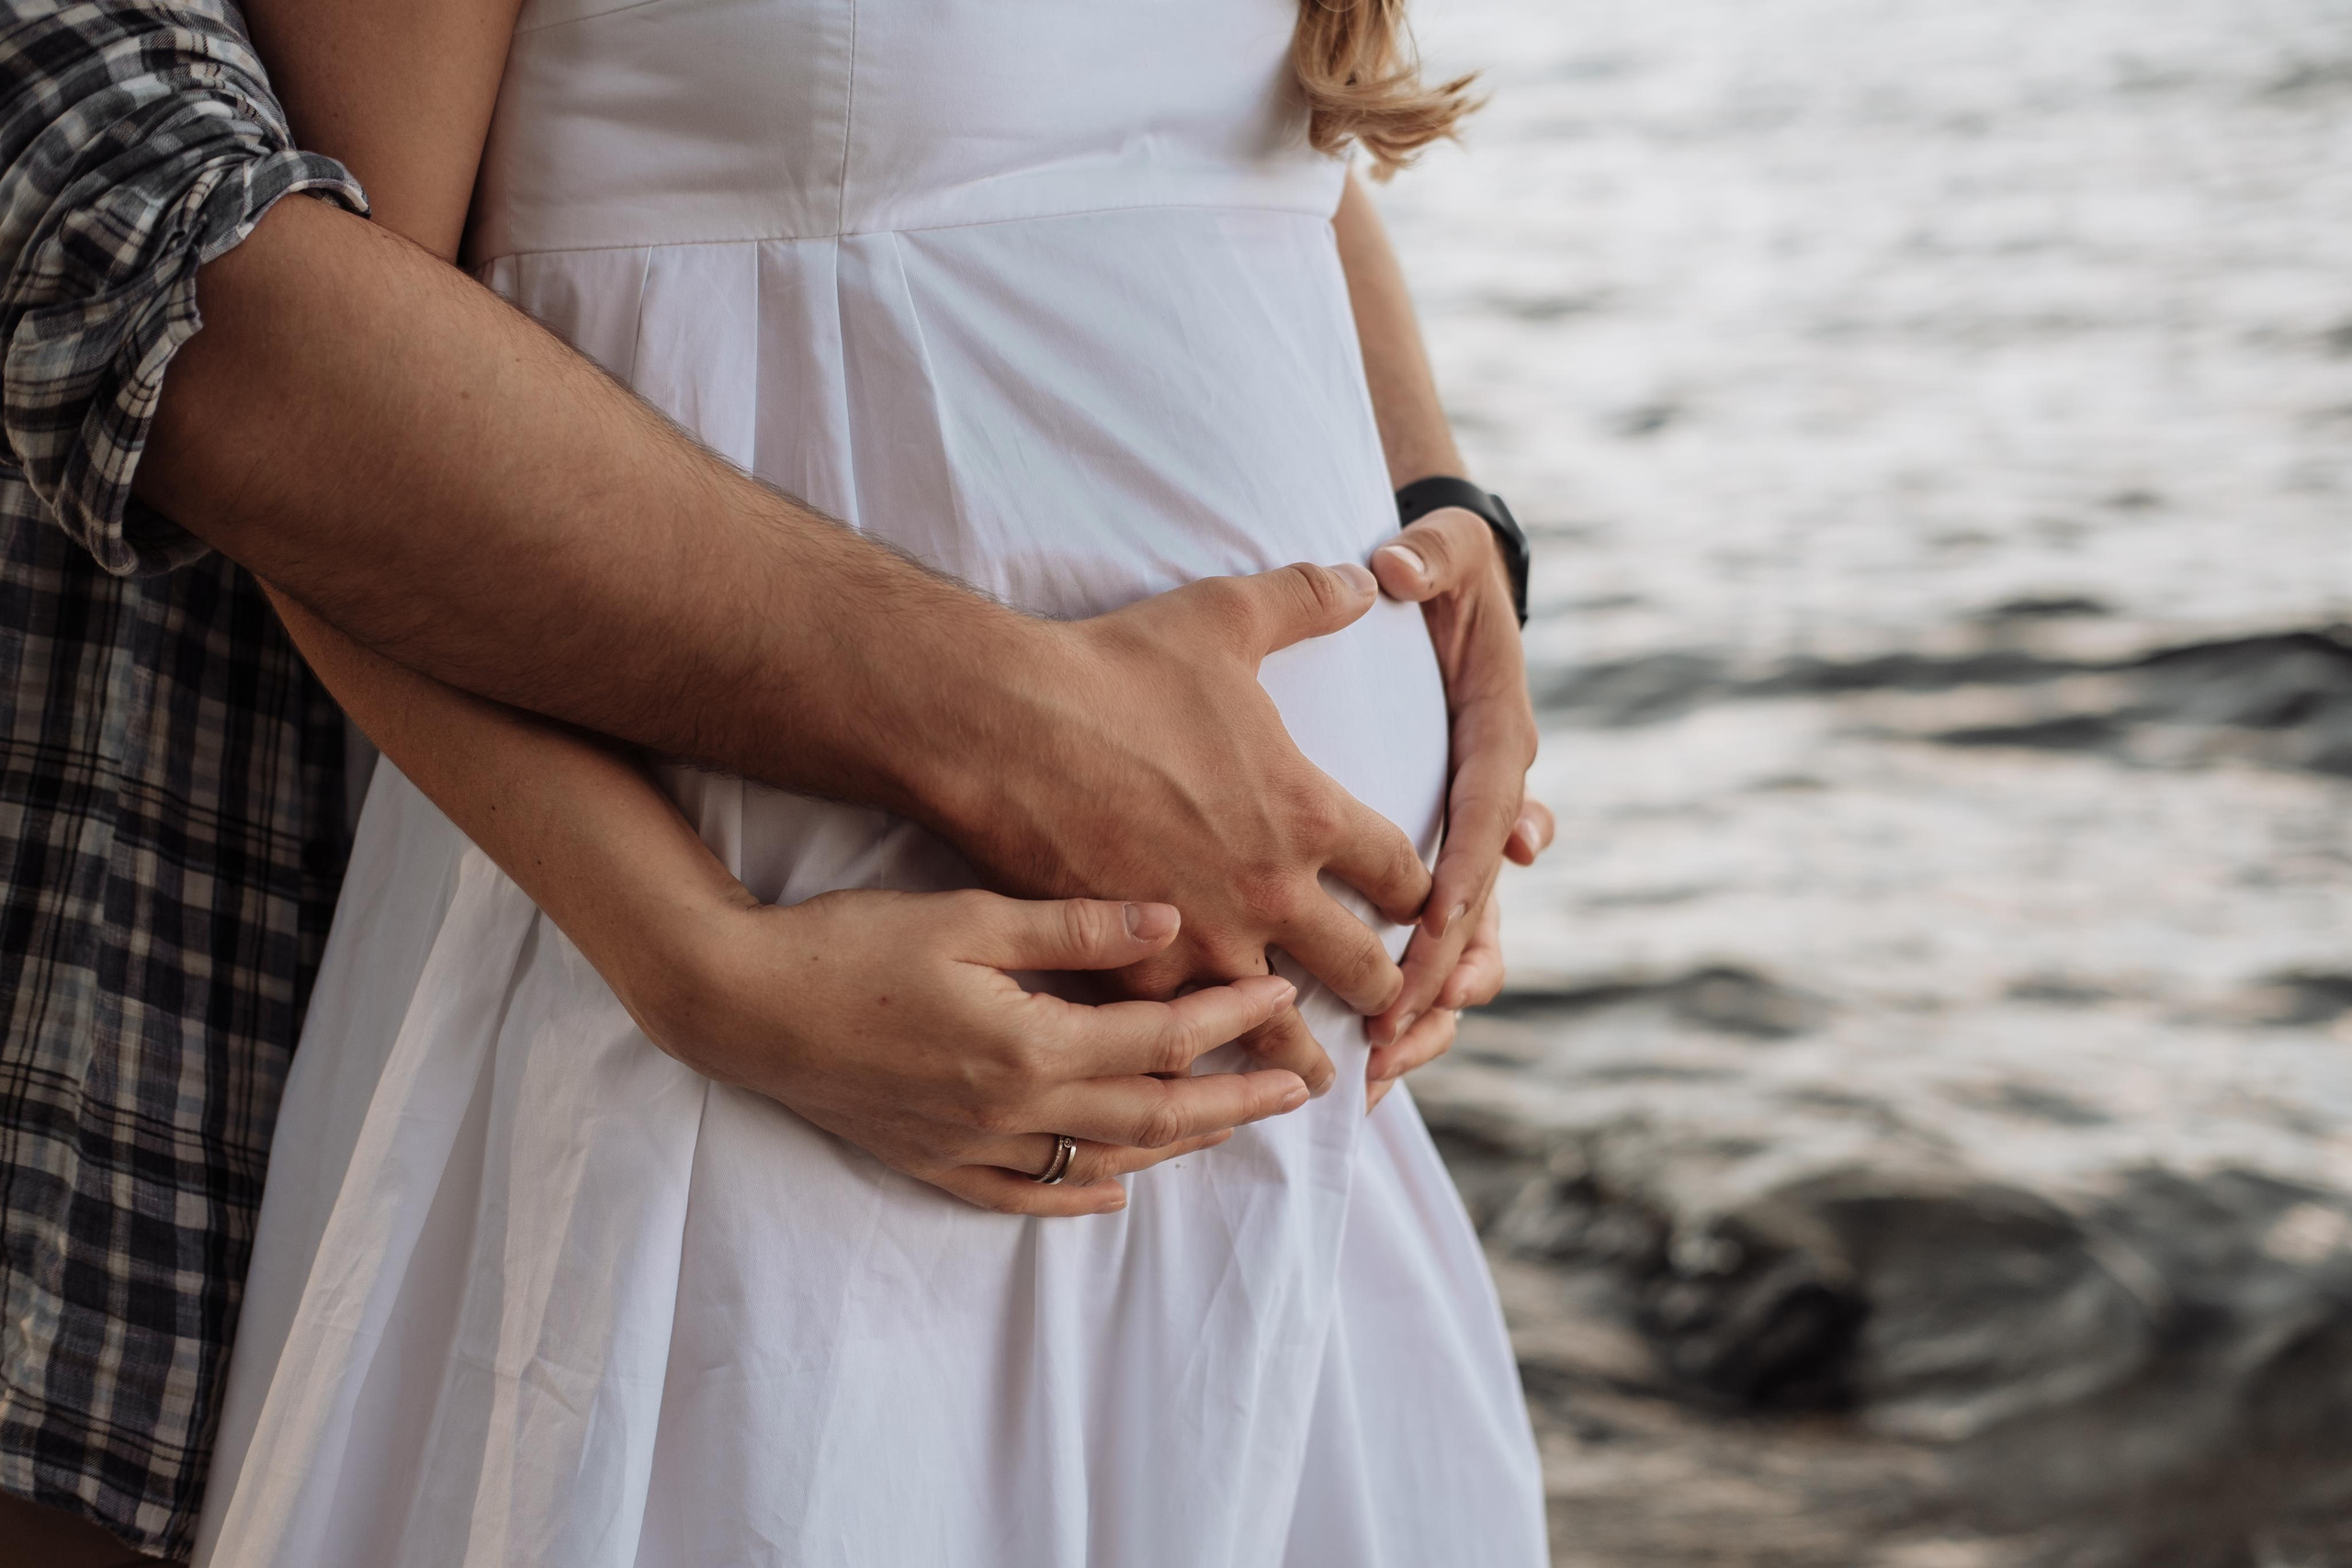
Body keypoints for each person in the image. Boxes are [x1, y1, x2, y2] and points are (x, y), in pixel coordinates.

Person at [0, 1, 1545, 1562]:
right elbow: (310, 402)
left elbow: (1267, 150)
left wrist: (1443, 532)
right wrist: (696, 954)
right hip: (792, 1079)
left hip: (1293, 1161)